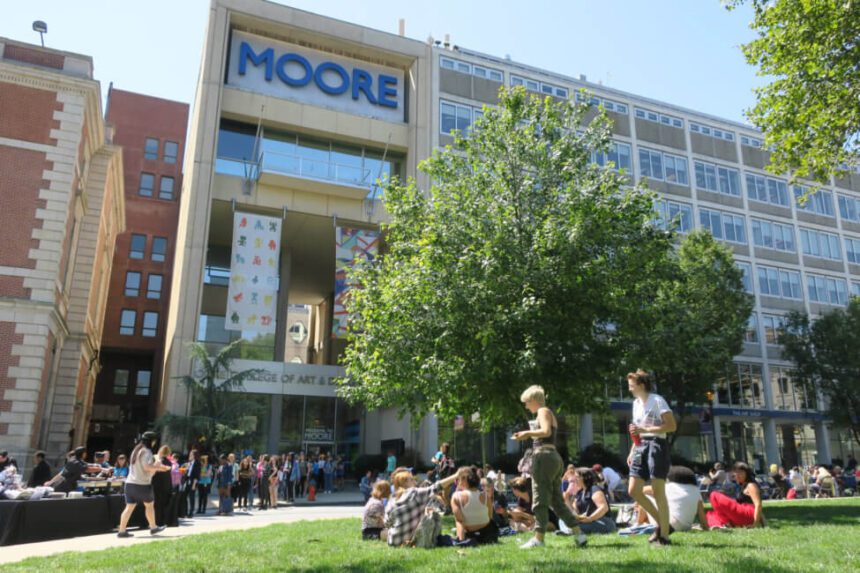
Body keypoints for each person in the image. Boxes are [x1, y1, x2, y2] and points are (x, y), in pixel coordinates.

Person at [512, 385, 586, 549]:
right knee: (557, 502)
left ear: (533, 400)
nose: (526, 406)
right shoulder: (546, 412)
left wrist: (527, 433)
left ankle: (538, 539)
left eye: (526, 402)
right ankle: (579, 534)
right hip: (552, 458)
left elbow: (545, 431)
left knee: (539, 499)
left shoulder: (542, 411)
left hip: (544, 457)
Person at [625, 369, 676, 546]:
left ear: (641, 385)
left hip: (657, 445)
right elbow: (637, 430)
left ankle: (664, 536)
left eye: (632, 385)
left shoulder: (657, 400)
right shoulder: (635, 404)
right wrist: (633, 449)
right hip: (640, 446)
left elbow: (671, 426)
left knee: (658, 491)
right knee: (633, 490)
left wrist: (646, 430)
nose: (630, 388)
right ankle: (664, 525)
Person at [384, 468, 459, 547]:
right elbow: (436, 487)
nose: (415, 482)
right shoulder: (414, 493)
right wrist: (456, 475)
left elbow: (387, 523)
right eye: (412, 480)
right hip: (409, 541)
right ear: (405, 483)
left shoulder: (391, 500)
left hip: (393, 541)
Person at [117, 432, 171, 538]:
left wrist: (159, 468)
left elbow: (142, 467)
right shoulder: (147, 452)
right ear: (151, 441)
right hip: (142, 484)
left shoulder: (136, 450)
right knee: (149, 505)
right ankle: (153, 527)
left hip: (130, 483)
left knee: (129, 507)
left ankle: (121, 531)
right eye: (154, 440)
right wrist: (160, 467)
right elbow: (147, 467)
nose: (155, 443)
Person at [635, 465, 708, 532]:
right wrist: (706, 528)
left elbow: (640, 490)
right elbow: (702, 517)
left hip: (668, 525)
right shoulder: (696, 491)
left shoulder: (670, 486)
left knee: (645, 497)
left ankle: (637, 525)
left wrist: (637, 503)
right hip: (686, 527)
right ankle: (645, 523)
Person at [557, 467, 616, 537]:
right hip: (586, 521)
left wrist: (590, 518)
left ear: (584, 478)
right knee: (562, 519)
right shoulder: (580, 492)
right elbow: (575, 512)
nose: (574, 479)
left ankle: (569, 531)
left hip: (602, 521)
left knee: (579, 526)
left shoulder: (594, 489)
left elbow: (603, 507)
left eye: (576, 477)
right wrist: (567, 500)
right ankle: (569, 531)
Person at [706, 462, 765, 529]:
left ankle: (725, 523)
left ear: (747, 473)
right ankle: (720, 525)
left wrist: (755, 524)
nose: (737, 475)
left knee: (714, 495)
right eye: (736, 472)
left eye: (740, 472)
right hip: (742, 515)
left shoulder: (751, 485)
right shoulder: (742, 486)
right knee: (710, 514)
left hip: (748, 513)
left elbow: (758, 505)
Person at [450, 466, 498, 546]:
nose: (457, 481)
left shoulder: (456, 496)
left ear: (465, 481)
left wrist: (461, 540)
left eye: (459, 479)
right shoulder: (485, 496)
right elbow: (489, 517)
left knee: (458, 520)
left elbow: (459, 521)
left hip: (470, 534)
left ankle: (462, 540)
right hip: (488, 534)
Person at [152, 445, 177, 527]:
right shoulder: (169, 462)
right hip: (166, 486)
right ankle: (163, 520)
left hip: (157, 486)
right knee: (164, 504)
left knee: (157, 504)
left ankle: (157, 521)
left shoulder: (158, 461)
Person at [183, 450, 201, 515]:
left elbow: (197, 475)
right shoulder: (189, 463)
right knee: (184, 496)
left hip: (193, 482)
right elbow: (188, 473)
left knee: (191, 497)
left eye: (191, 454)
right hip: (187, 481)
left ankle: (191, 512)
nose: (189, 455)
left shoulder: (197, 463)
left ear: (194, 455)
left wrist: (194, 484)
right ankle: (184, 511)